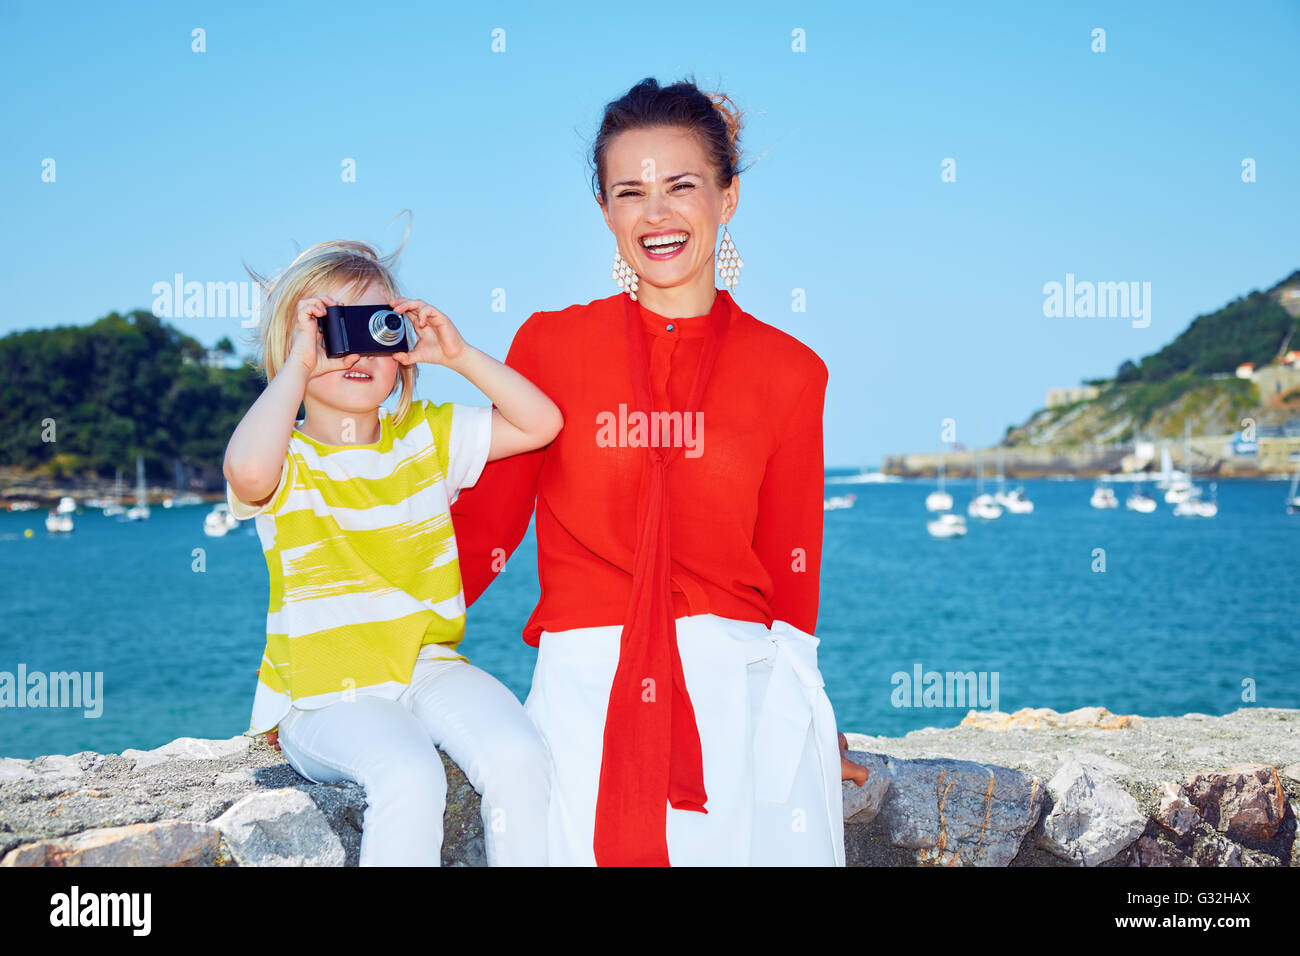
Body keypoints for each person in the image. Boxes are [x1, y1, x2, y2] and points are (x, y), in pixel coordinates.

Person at [449, 77, 869, 867]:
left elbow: (790, 568)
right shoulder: (548, 348)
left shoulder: (791, 370)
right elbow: (485, 536)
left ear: (728, 197)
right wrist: (364, 653)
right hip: (585, 699)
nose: (657, 215)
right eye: (629, 192)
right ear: (605, 211)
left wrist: (809, 713)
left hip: (741, 702)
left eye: (682, 186)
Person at [224, 239, 562, 865]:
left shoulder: (426, 436)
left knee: (520, 755)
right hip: (323, 697)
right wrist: (298, 364)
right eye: (331, 332)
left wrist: (457, 355)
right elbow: (245, 472)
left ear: (400, 351)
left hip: (428, 666)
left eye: (374, 329)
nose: (354, 352)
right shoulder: (287, 458)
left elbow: (541, 423)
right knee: (408, 774)